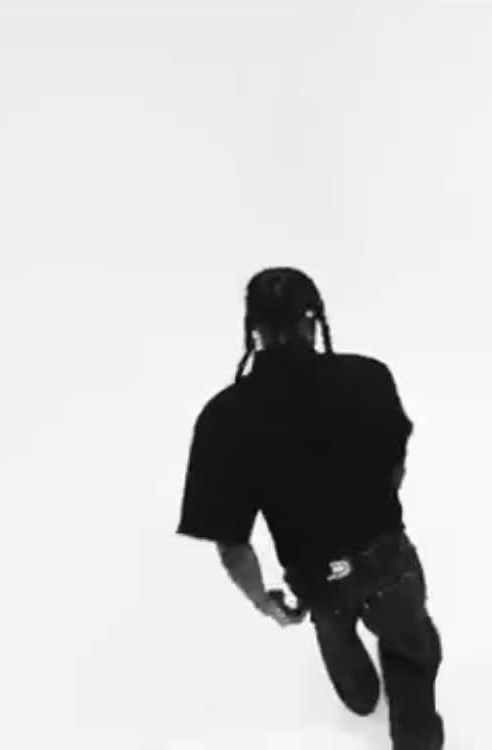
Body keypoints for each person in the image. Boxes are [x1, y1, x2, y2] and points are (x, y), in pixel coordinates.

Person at [175, 267, 444, 750]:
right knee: (410, 650)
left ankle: (359, 697)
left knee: (333, 626)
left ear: (254, 329)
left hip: (315, 578)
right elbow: (396, 461)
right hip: (386, 561)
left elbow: (232, 544)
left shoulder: (223, 419)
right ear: (312, 320)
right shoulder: (368, 378)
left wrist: (264, 600)